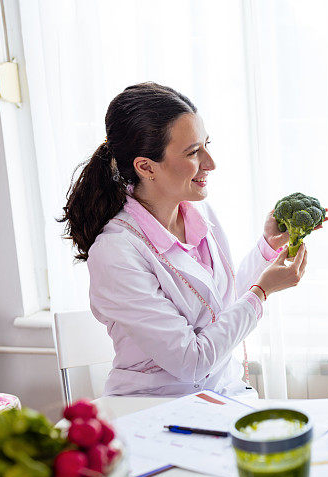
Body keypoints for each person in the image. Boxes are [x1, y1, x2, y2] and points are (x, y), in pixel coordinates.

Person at [60, 82, 312, 396]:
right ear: (145, 166)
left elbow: (221, 304)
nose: (211, 162)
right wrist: (262, 292)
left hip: (221, 394)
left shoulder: (199, 213)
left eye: (206, 144)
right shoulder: (115, 253)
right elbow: (190, 361)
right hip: (154, 406)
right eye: (193, 152)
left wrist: (266, 249)